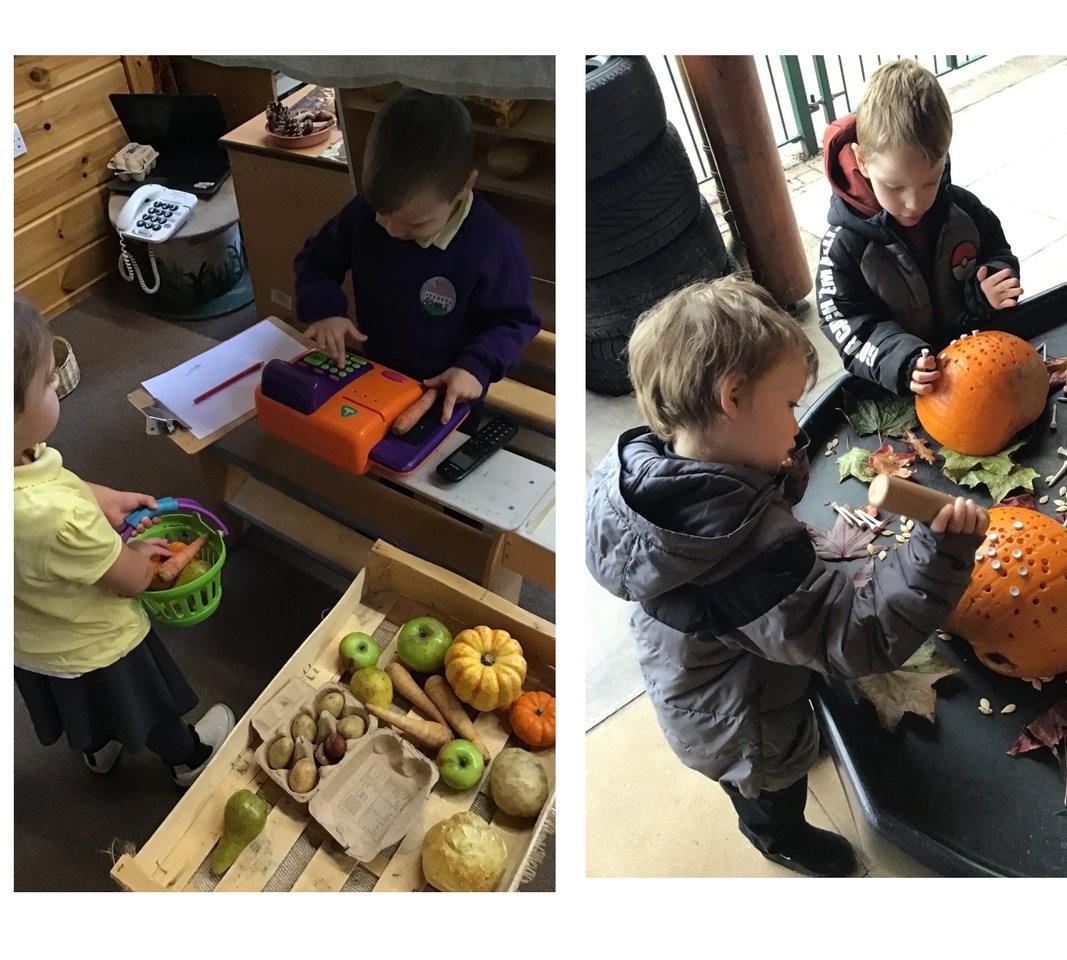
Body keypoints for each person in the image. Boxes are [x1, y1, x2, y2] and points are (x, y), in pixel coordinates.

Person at [585, 277, 989, 876]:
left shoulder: (668, 471)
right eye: (789, 406)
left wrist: (776, 464)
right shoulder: (749, 560)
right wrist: (941, 552)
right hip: (738, 723)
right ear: (732, 397)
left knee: (784, 741)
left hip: (706, 666)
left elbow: (747, 494)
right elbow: (858, 637)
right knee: (770, 785)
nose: (798, 429)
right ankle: (779, 837)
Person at [13, 296, 234, 786]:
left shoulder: (18, 458)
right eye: (47, 380)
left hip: (35, 643)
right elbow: (133, 580)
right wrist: (136, 555)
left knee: (80, 706)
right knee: (145, 706)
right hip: (97, 642)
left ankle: (99, 749)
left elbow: (49, 477)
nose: (58, 384)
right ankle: (189, 759)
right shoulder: (60, 518)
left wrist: (103, 496)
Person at [294, 87, 541, 425]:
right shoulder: (363, 215)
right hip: (376, 376)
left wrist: (476, 366)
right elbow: (316, 262)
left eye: (416, 223)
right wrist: (325, 310)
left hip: (449, 391)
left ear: (463, 187)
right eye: (383, 215)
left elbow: (515, 320)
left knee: (440, 456)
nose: (393, 231)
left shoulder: (491, 244)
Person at [818, 58, 1022, 397]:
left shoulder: (962, 209)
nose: (915, 203)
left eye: (930, 181)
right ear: (862, 162)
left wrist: (990, 285)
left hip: (975, 365)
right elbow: (844, 321)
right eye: (895, 187)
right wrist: (900, 360)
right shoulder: (845, 245)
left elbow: (997, 252)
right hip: (904, 384)